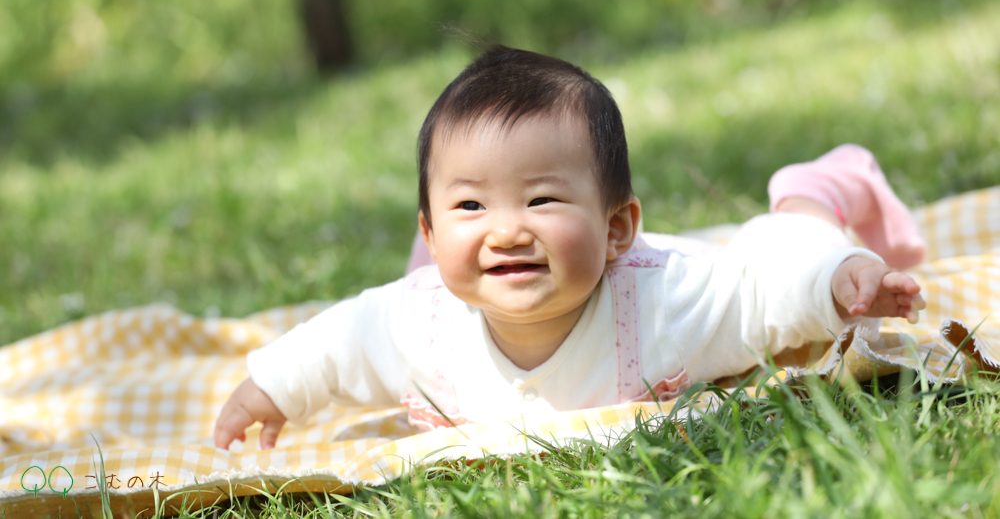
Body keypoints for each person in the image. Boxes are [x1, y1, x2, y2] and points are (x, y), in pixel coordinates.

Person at [213, 46, 926, 450]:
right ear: (429, 233)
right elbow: (344, 340)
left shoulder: (665, 304)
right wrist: (271, 386)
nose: (510, 228)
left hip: (728, 261)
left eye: (541, 199)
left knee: (780, 238)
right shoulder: (422, 317)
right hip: (444, 292)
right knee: (426, 297)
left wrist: (837, 281)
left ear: (617, 228)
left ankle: (817, 185)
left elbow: (765, 292)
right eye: (472, 204)